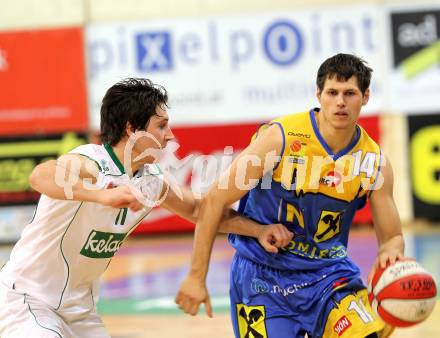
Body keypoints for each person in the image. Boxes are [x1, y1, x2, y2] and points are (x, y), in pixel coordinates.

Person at [0, 78, 293, 338]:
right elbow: (40, 176)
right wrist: (102, 196)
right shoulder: (91, 162)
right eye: (161, 126)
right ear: (132, 129)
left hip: (79, 310)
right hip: (27, 297)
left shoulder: (151, 181)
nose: (170, 136)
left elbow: (199, 210)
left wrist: (259, 230)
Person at [175, 53, 405, 338]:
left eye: (350, 93)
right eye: (332, 93)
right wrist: (197, 276)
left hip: (328, 275)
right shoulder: (280, 138)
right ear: (318, 94)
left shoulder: (373, 162)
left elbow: (392, 237)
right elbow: (213, 200)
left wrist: (392, 254)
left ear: (366, 97)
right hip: (263, 276)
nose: (340, 102)